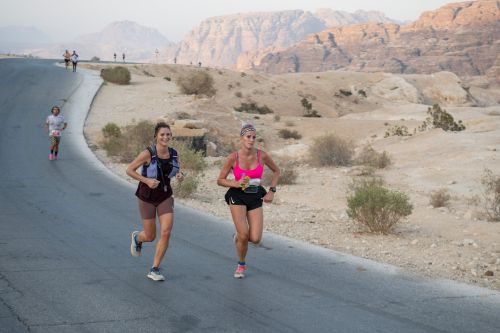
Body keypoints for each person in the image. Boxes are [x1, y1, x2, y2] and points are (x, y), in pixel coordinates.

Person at [217, 124, 280, 278]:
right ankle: (241, 264)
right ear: (241, 138)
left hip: (255, 195)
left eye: (253, 137)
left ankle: (237, 237)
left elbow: (277, 171)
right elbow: (220, 180)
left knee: (256, 239)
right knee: (244, 234)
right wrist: (235, 183)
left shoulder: (262, 156)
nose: (251, 140)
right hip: (237, 196)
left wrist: (272, 191)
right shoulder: (233, 158)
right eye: (248, 137)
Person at [126, 122, 184, 281]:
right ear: (156, 136)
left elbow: (177, 169)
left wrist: (180, 175)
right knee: (150, 236)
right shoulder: (147, 154)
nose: (166, 137)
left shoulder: (174, 153)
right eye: (162, 134)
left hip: (165, 196)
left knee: (166, 232)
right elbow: (129, 170)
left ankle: (155, 268)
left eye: (168, 134)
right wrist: (146, 180)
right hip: (147, 197)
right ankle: (138, 238)